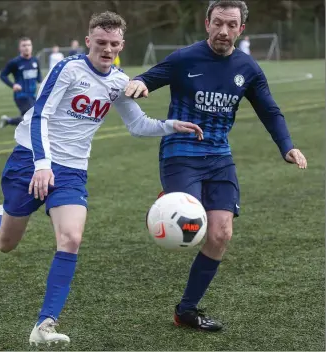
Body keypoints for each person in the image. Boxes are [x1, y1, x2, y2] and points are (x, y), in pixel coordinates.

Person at [0, 11, 203, 346]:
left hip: (72, 171)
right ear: (88, 41)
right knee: (6, 244)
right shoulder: (68, 69)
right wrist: (42, 164)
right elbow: (41, 113)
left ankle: (44, 325)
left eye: (114, 44)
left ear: (121, 45)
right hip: (31, 159)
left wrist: (171, 125)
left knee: (71, 237)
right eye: (100, 42)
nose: (107, 49)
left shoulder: (119, 82)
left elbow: (138, 124)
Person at [124, 0, 307, 332]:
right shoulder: (184, 58)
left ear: (241, 29)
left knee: (220, 234)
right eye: (218, 23)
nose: (224, 31)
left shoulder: (248, 68)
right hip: (181, 151)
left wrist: (287, 147)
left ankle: (186, 311)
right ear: (207, 23)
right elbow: (149, 78)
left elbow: (270, 111)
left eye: (231, 25)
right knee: (193, 230)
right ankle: (172, 197)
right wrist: (139, 83)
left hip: (220, 157)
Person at [0, 37, 42, 129]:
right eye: (24, 45)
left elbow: (38, 75)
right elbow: (3, 75)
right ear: (20, 48)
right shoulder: (15, 62)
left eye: (29, 45)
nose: (27, 47)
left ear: (32, 47)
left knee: (29, 118)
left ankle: (8, 121)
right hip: (21, 95)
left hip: (33, 95)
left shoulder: (35, 61)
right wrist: (13, 85)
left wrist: (40, 83)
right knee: (33, 117)